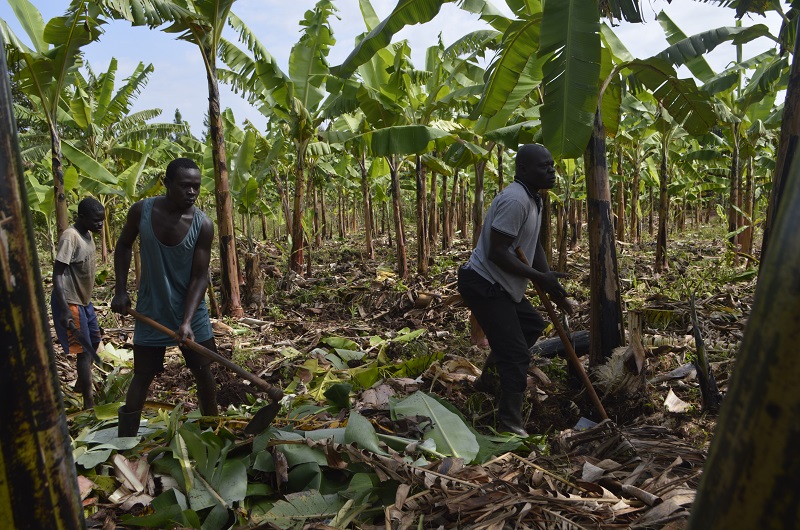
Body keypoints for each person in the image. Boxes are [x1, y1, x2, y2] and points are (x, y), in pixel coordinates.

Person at [457, 144, 573, 437]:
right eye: (543, 166)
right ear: (523, 170)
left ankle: (487, 380)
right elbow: (498, 252)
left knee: (531, 324)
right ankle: (510, 424)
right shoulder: (515, 200)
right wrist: (537, 277)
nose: (551, 171)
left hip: (499, 285)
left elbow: (531, 247)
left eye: (551, 165)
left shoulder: (535, 198)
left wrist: (551, 283)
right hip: (483, 283)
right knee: (517, 355)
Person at [112, 157, 218, 437]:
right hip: (151, 311)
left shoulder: (203, 225)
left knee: (203, 371)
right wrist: (120, 290)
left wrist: (186, 322)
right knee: (143, 375)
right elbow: (123, 245)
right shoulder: (141, 212)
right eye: (185, 186)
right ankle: (125, 439)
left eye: (196, 187)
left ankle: (213, 432)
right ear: (167, 183)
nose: (192, 192)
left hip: (192, 312)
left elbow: (199, 276)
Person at [52, 196, 105, 410]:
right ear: (81, 217)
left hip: (84, 302)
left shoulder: (88, 235)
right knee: (84, 353)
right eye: (96, 220)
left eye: (102, 220)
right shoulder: (70, 237)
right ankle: (88, 404)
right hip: (70, 301)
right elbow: (57, 274)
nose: (100, 224)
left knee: (93, 345)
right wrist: (64, 310)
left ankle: (81, 385)